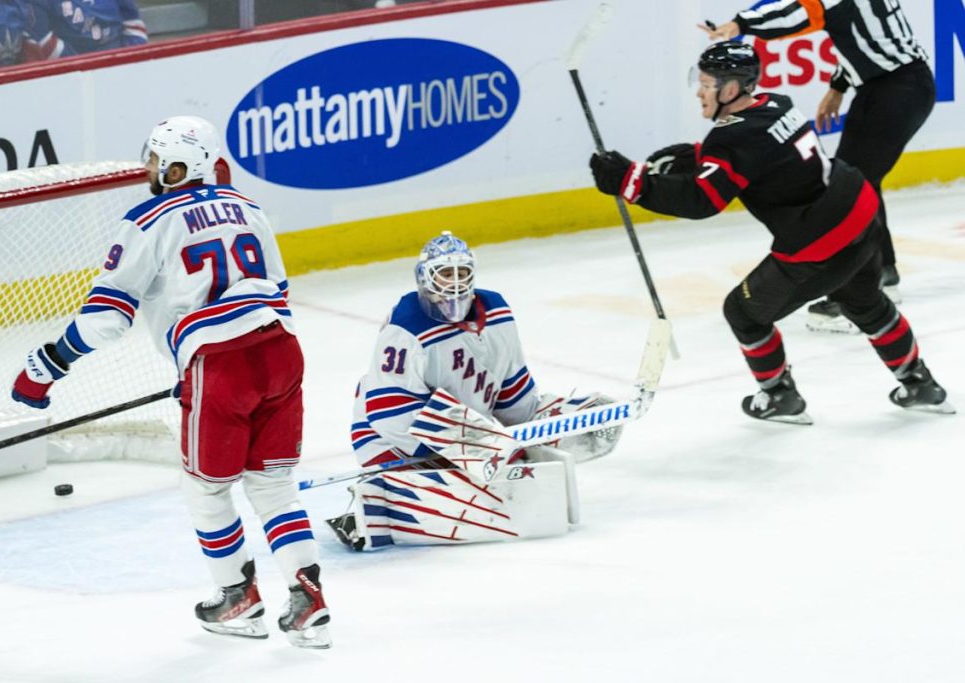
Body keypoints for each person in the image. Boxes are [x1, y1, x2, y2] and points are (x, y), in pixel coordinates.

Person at [10, 116, 332, 648]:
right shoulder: (249, 208)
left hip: (219, 366)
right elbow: (277, 288)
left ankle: (237, 596)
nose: (151, 168)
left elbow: (108, 318)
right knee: (272, 485)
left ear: (183, 165)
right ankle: (308, 598)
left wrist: (49, 362)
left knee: (206, 488)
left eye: (159, 160)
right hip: (282, 352)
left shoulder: (149, 218)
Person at [588, 41, 953, 423]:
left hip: (823, 237)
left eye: (707, 82)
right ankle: (920, 383)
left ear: (730, 90)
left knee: (743, 312)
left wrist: (632, 182)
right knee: (861, 300)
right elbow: (762, 149)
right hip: (862, 212)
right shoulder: (776, 102)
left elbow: (702, 200)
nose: (699, 90)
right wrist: (699, 156)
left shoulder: (730, 141)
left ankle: (780, 397)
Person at [327, 231, 622, 551]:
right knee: (493, 487)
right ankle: (390, 497)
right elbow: (390, 414)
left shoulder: (497, 313)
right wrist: (462, 449)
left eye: (461, 273)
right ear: (425, 278)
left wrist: (540, 424)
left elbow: (512, 394)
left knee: (524, 478)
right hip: (391, 440)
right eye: (444, 273)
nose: (454, 283)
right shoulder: (406, 325)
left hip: (472, 435)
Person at [700, 0, 935, 333]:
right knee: (856, 180)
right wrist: (838, 88)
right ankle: (881, 274)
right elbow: (855, 32)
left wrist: (741, 24)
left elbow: (797, 13)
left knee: (852, 187)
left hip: (897, 89)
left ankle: (858, 292)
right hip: (891, 87)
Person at [21, 0, 147, 60]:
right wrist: (83, 66)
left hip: (119, 58)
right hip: (70, 72)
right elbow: (42, 39)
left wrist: (129, 59)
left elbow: (132, 20)